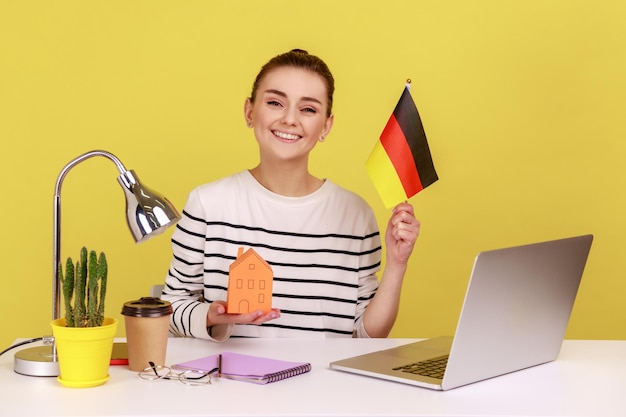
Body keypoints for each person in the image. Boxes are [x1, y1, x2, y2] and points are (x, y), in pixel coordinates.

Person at [161, 49, 420, 341]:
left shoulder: (356, 215)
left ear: (326, 126)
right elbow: (172, 307)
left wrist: (398, 264)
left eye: (307, 109)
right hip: (232, 383)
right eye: (275, 102)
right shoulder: (208, 204)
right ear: (249, 111)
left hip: (324, 386)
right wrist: (210, 316)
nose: (289, 119)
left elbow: (365, 336)